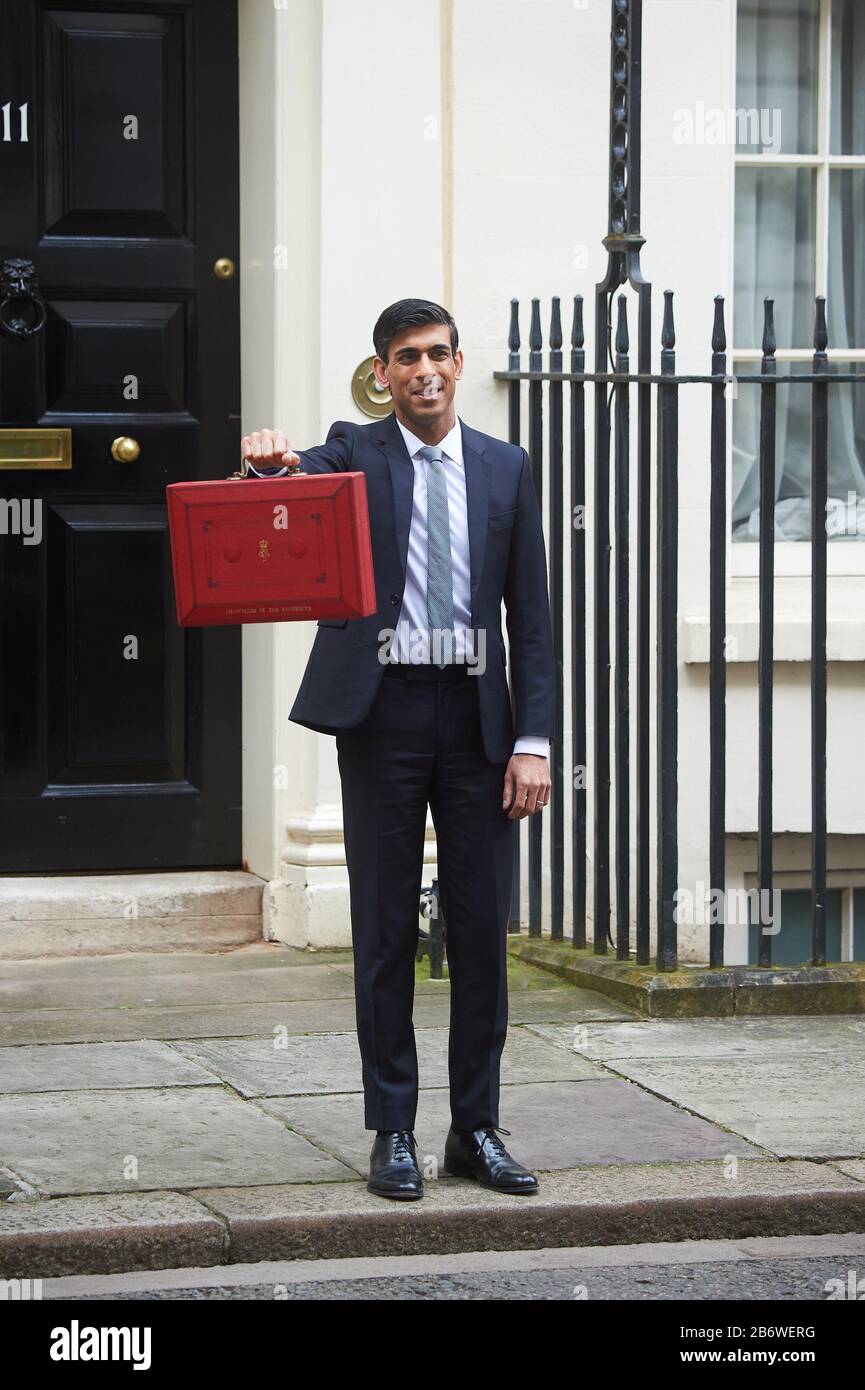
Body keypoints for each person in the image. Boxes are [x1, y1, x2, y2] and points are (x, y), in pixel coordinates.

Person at [241, 298, 555, 1200]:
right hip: (382, 715)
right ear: (382, 372)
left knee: (480, 931)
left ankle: (476, 1130)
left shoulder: (505, 467)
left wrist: (531, 742)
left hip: (478, 725)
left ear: (460, 365)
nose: (423, 370)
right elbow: (287, 488)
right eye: (404, 358)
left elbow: (528, 620)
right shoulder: (355, 450)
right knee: (381, 929)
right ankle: (392, 1134)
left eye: (438, 355)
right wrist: (268, 463)